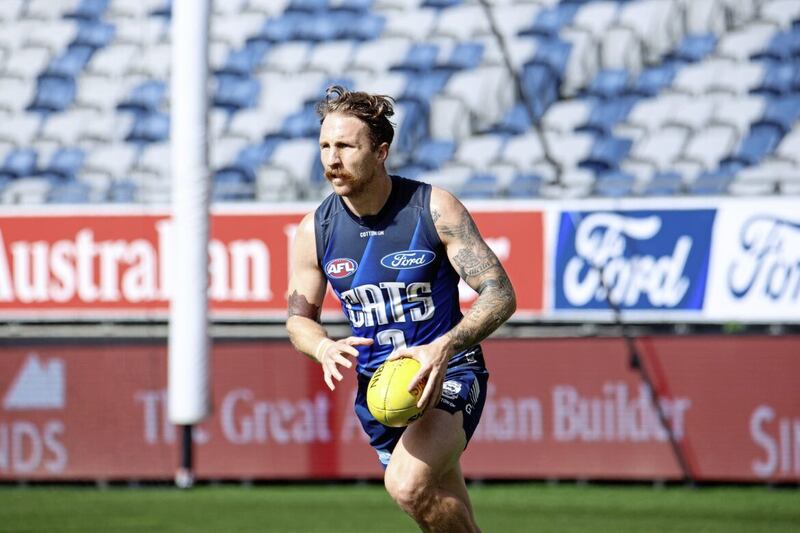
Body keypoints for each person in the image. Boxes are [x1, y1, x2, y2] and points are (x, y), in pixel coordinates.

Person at [286, 85, 516, 532]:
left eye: (347, 146)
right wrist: (323, 349)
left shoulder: (433, 208)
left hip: (447, 373)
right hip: (382, 394)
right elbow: (298, 320)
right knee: (438, 504)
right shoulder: (315, 230)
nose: (332, 158)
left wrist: (444, 347)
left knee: (407, 485)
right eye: (325, 146)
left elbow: (500, 293)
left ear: (381, 152)